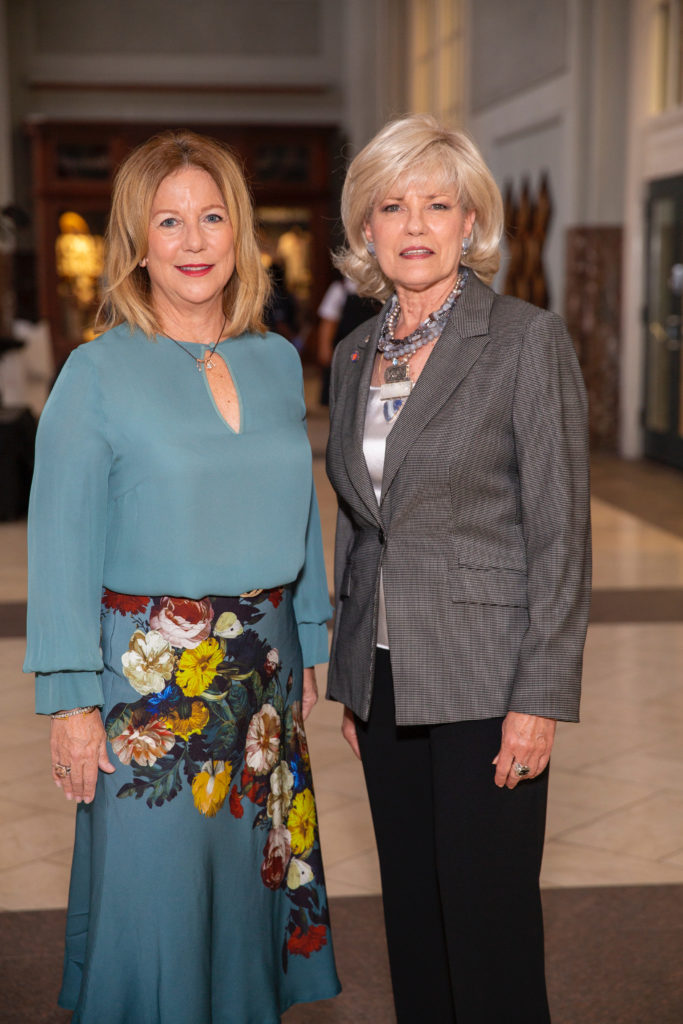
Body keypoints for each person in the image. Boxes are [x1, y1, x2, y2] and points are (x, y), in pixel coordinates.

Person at [24, 130, 340, 1024]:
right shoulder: (95, 374)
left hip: (266, 676)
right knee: (154, 900)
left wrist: (309, 634)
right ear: (137, 241)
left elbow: (301, 507)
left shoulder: (277, 361)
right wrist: (71, 702)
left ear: (239, 235)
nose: (194, 241)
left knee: (248, 891)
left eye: (212, 218)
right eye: (170, 221)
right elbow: (60, 543)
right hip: (148, 686)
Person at [325, 113, 591, 1023]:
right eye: (391, 205)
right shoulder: (353, 352)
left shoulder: (523, 340)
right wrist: (352, 676)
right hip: (386, 678)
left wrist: (540, 695)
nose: (413, 224)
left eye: (436, 204)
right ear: (365, 228)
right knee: (411, 913)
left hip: (488, 680)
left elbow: (559, 532)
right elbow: (361, 524)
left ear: (470, 221)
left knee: (489, 919)